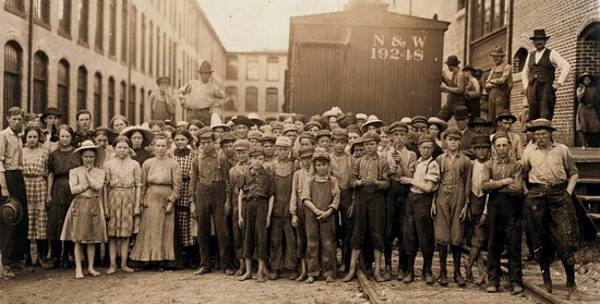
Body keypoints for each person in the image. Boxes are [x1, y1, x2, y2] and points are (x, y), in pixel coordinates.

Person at [521, 119, 582, 300]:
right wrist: (527, 194)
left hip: (558, 194)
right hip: (537, 194)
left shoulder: (562, 150)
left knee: (565, 237)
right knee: (539, 237)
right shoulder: (528, 151)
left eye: (543, 134)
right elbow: (522, 175)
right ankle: (546, 279)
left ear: (550, 134)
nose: (540, 137)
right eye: (537, 134)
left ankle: (571, 283)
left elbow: (574, 172)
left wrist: (568, 193)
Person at [342, 131, 389, 282]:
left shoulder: (383, 162)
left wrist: (377, 183)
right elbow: (351, 181)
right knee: (357, 233)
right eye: (366, 145)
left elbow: (387, 183)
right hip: (361, 199)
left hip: (377, 200)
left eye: (372, 144)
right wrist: (358, 183)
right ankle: (351, 270)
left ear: (377, 145)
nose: (369, 147)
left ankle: (377, 271)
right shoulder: (359, 161)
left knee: (377, 233)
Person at [481, 132, 524, 294]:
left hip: (512, 208)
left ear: (510, 147)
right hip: (494, 207)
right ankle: (493, 281)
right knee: (493, 243)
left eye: (504, 145)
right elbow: (484, 186)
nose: (501, 148)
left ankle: (515, 281)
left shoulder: (517, 165)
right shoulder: (489, 165)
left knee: (514, 244)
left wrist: (495, 184)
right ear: (494, 147)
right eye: (498, 145)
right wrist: (505, 182)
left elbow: (518, 188)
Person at [130, 135, 181, 266]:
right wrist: (141, 201)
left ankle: (162, 259)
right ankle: (146, 259)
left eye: (163, 146)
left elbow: (177, 186)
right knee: (148, 229)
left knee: (164, 229)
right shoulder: (148, 163)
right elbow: (142, 184)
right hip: (150, 198)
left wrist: (171, 202)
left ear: (168, 147)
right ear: (153, 147)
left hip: (165, 198)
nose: (160, 148)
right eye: (158, 145)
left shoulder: (173, 164)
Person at [60, 140, 108, 279]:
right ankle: (78, 268)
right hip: (79, 204)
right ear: (81, 157)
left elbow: (98, 187)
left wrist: (87, 176)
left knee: (92, 238)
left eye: (91, 157)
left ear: (95, 158)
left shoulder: (99, 172)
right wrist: (86, 184)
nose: (89, 159)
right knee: (79, 238)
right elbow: (74, 189)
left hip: (94, 204)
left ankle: (91, 267)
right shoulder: (74, 171)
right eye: (86, 156)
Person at [189, 127, 234, 275]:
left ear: (215, 142)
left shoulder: (222, 158)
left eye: (209, 141)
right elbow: (193, 182)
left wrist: (228, 201)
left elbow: (228, 181)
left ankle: (225, 265)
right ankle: (205, 264)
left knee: (222, 231)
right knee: (203, 230)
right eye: (203, 142)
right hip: (202, 191)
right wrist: (192, 203)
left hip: (219, 190)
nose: (206, 145)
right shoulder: (197, 160)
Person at [432, 127, 471, 287]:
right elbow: (435, 181)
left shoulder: (466, 161)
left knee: (456, 236)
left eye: (456, 139)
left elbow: (468, 182)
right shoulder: (440, 159)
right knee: (442, 235)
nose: (453, 142)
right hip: (442, 196)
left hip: (459, 196)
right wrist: (433, 201)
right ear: (445, 141)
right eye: (450, 139)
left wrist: (466, 204)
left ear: (460, 142)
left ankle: (457, 272)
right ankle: (442, 272)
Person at [400, 133, 440, 284]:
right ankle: (409, 270)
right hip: (412, 199)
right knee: (410, 235)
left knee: (425, 236)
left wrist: (410, 180)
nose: (426, 151)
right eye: (423, 148)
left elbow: (428, 188)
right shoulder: (417, 162)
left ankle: (427, 270)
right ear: (418, 148)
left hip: (424, 200)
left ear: (433, 149)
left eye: (429, 148)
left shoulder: (433, 164)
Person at [103, 136, 141, 274]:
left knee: (125, 234)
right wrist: (105, 206)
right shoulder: (108, 164)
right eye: (119, 147)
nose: (122, 150)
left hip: (128, 199)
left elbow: (138, 185)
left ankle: (124, 264)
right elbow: (105, 186)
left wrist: (137, 205)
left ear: (129, 148)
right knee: (112, 234)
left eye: (125, 147)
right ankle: (113, 264)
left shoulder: (135, 165)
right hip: (113, 198)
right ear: (114, 148)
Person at [384, 122, 417, 281]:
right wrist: (389, 173)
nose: (399, 138)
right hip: (390, 192)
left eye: (402, 135)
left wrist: (400, 162)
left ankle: (402, 267)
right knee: (389, 229)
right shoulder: (385, 153)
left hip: (405, 192)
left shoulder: (411, 154)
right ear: (391, 137)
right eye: (396, 135)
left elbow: (410, 175)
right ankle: (388, 265)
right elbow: (383, 175)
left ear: (406, 136)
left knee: (404, 230)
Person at [301, 151, 340, 283]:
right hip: (312, 215)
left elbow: (336, 199)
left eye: (324, 164)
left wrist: (328, 211)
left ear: (328, 165)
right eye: (319, 165)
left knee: (327, 243)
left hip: (328, 216)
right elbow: (305, 198)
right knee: (312, 243)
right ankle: (312, 272)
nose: (322, 167)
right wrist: (316, 210)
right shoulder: (310, 181)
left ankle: (328, 272)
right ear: (315, 166)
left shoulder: (333, 181)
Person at [238, 147, 275, 283]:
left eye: (260, 158)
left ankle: (260, 271)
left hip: (262, 206)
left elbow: (271, 196)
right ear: (250, 160)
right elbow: (241, 195)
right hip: (247, 206)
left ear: (264, 160)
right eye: (254, 158)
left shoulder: (268, 176)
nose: (257, 161)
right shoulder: (245, 175)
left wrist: (268, 215)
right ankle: (248, 271)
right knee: (247, 238)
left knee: (261, 239)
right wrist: (240, 216)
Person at [46, 125, 80, 268]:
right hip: (58, 188)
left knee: (70, 221)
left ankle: (68, 255)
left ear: (71, 137)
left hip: (72, 187)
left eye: (67, 136)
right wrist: (48, 193)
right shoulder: (53, 154)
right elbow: (51, 174)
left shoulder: (76, 153)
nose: (65, 139)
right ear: (58, 137)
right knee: (55, 222)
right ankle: (55, 255)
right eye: (62, 136)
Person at [0, 107, 29, 274]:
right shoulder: (3, 136)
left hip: (19, 177)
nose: (17, 122)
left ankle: (16, 259)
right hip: (8, 177)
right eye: (14, 119)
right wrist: (4, 187)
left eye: (20, 119)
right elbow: (0, 163)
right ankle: (6, 262)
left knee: (20, 218)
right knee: (9, 218)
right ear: (8, 119)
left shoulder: (19, 137)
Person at [265, 136, 297, 280]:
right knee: (275, 239)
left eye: (286, 149)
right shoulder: (271, 166)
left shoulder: (294, 166)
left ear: (290, 150)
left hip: (290, 206)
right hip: (276, 207)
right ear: (276, 150)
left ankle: (291, 267)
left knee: (291, 239)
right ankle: (275, 267)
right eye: (280, 149)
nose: (283, 152)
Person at [522, 29, 571, 121]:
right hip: (532, 89)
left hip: (546, 88)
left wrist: (558, 84)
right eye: (536, 40)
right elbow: (525, 72)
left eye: (541, 40)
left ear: (545, 41)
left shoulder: (551, 53)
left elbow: (566, 66)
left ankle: (545, 134)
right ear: (533, 42)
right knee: (531, 116)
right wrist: (526, 86)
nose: (538, 42)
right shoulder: (530, 55)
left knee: (545, 114)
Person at [22, 127, 50, 266]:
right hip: (25, 185)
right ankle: (26, 255)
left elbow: (48, 173)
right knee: (27, 218)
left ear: (38, 137)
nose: (32, 139)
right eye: (29, 136)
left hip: (39, 185)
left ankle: (41, 255)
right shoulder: (21, 151)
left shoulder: (44, 152)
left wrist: (48, 193)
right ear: (25, 138)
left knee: (41, 219)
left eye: (34, 136)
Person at [465, 135, 491, 286]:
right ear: (474, 150)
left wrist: (486, 210)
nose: (481, 152)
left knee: (480, 239)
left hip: (485, 203)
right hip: (473, 202)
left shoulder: (491, 164)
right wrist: (467, 203)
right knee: (475, 238)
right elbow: (468, 183)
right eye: (478, 148)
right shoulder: (471, 164)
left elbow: (489, 190)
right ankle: (481, 272)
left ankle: (468, 267)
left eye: (484, 148)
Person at [171, 130, 198, 269]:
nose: (180, 142)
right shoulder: (170, 155)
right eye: (177, 139)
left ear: (188, 140)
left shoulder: (193, 154)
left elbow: (196, 173)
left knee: (189, 224)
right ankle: (177, 257)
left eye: (182, 139)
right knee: (176, 223)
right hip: (174, 191)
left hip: (188, 190)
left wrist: (188, 176)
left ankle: (191, 256)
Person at [329, 129, 353, 273]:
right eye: (337, 142)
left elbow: (353, 179)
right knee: (331, 229)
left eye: (342, 142)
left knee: (347, 229)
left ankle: (345, 260)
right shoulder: (327, 158)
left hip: (346, 196)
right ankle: (331, 261)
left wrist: (353, 200)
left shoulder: (351, 159)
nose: (339, 145)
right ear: (332, 143)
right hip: (331, 196)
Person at [290, 146, 315, 282]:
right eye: (304, 159)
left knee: (313, 241)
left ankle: (313, 271)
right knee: (301, 240)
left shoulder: (317, 173)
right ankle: (304, 270)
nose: (307, 162)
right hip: (301, 208)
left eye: (310, 158)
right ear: (300, 160)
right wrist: (293, 213)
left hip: (313, 208)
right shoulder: (297, 174)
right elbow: (294, 193)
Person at [179, 61, 228, 126]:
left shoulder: (213, 87)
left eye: (207, 73)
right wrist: (184, 103)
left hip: (205, 113)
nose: (204, 75)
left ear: (210, 75)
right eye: (202, 73)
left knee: (205, 131)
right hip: (192, 112)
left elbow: (226, 97)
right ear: (200, 74)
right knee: (191, 129)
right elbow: (180, 92)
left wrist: (217, 105)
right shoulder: (192, 83)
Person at [229, 139, 251, 276]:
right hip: (237, 205)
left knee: (250, 234)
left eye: (244, 152)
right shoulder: (233, 170)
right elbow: (233, 188)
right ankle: (241, 265)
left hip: (250, 203)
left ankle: (252, 264)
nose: (241, 155)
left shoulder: (253, 167)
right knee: (237, 235)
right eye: (238, 152)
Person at [484, 46, 513, 121]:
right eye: (494, 57)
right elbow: (487, 83)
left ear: (502, 57)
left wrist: (492, 82)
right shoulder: (493, 68)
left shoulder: (507, 67)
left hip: (501, 95)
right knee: (491, 117)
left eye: (497, 56)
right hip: (492, 95)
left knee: (500, 116)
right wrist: (492, 83)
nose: (495, 58)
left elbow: (502, 80)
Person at [438, 55, 466, 121]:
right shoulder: (454, 74)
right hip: (450, 103)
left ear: (450, 65)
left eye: (448, 65)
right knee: (438, 121)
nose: (448, 67)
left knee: (461, 122)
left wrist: (446, 88)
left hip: (458, 104)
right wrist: (445, 78)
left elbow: (460, 89)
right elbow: (452, 86)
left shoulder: (460, 74)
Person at [576, 72, 600, 147]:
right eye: (585, 80)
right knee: (582, 126)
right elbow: (579, 97)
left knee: (593, 125)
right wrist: (583, 89)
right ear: (583, 81)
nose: (587, 81)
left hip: (591, 109)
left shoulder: (594, 89)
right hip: (583, 108)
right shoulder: (580, 88)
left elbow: (597, 99)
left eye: (589, 79)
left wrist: (592, 104)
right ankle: (583, 143)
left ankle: (590, 142)